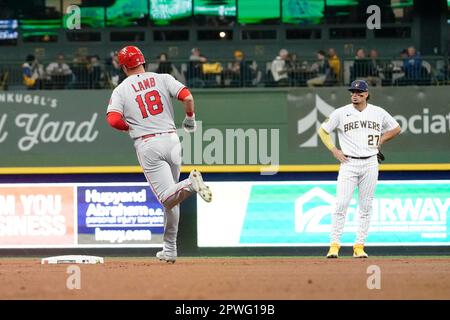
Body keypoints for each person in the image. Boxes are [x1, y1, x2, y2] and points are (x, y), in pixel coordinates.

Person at [106, 46, 212, 263]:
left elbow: (113, 120)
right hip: (172, 140)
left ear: (124, 66)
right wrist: (190, 119)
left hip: (148, 144)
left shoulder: (121, 89)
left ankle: (191, 184)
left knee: (166, 196)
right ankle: (170, 249)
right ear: (143, 61)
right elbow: (188, 97)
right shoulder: (162, 78)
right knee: (172, 199)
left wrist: (130, 128)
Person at [317, 80, 401, 258]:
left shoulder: (378, 112)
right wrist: (334, 150)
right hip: (349, 163)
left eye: (359, 92)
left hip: (370, 162)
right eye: (353, 92)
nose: (355, 94)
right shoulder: (341, 113)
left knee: (366, 206)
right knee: (341, 204)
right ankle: (334, 245)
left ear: (366, 94)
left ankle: (359, 246)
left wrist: (381, 140)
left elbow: (396, 128)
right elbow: (323, 131)